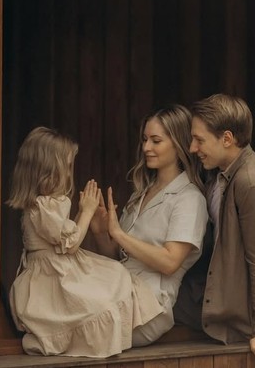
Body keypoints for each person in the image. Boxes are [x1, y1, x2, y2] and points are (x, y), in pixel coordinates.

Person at [7, 126, 164, 357]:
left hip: (60, 269)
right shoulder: (43, 207)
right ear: (49, 171)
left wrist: (81, 212)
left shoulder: (46, 205)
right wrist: (87, 212)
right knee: (95, 307)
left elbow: (63, 236)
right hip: (53, 279)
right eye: (66, 167)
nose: (68, 174)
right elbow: (70, 244)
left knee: (116, 276)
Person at [90, 104, 209, 345]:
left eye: (156, 141)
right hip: (119, 288)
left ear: (178, 144)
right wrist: (101, 233)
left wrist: (119, 234)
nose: (146, 148)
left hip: (148, 305)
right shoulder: (141, 193)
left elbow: (170, 262)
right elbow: (119, 257)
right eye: (145, 140)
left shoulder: (189, 198)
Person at [187, 94, 255, 364]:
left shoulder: (251, 183)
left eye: (199, 140)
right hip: (214, 295)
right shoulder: (220, 173)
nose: (193, 148)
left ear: (227, 139)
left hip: (239, 321)